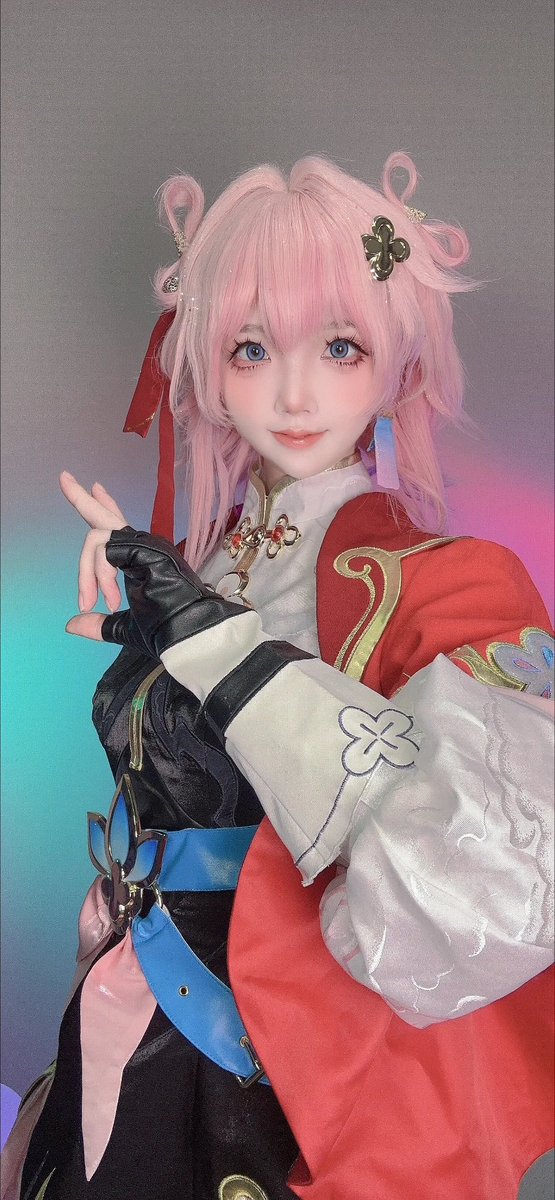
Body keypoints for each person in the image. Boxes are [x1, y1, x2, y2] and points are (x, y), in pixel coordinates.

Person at [4, 153, 553, 1200]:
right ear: (208, 365)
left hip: (298, 1059)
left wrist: (222, 649)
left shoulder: (453, 583)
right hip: (134, 1012)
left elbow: (500, 872)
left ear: (396, 365)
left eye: (340, 347)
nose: (294, 393)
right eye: (252, 350)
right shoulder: (193, 567)